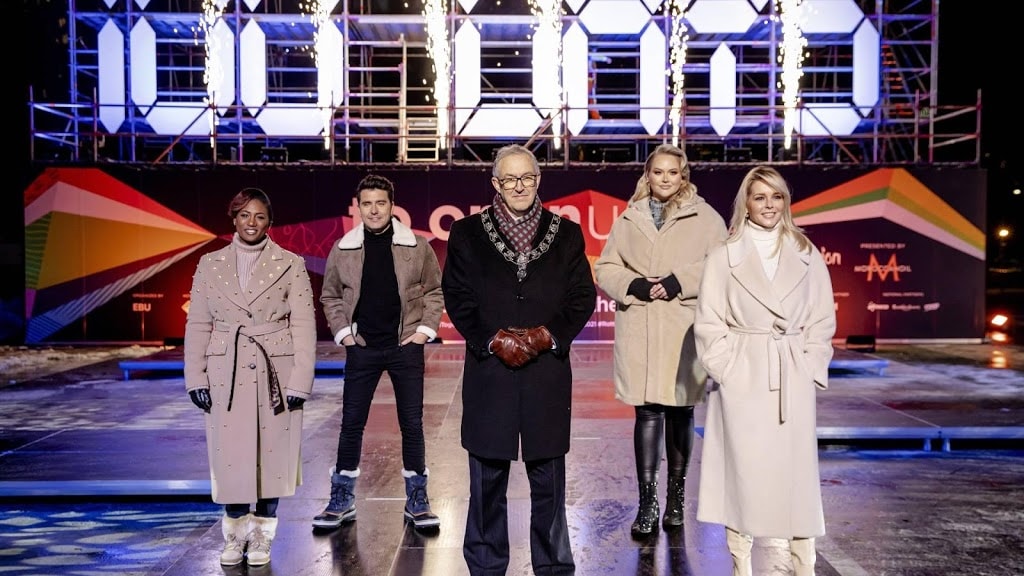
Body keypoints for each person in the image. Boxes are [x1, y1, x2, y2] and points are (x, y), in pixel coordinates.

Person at [442, 144, 596, 576]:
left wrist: (547, 336)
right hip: (491, 371)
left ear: (538, 179)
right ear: (495, 184)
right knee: (487, 481)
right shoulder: (467, 233)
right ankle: (487, 566)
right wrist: (493, 340)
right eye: (509, 179)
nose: (519, 186)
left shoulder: (566, 233)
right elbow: (457, 296)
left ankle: (552, 566)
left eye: (526, 177)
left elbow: (582, 296)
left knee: (548, 481)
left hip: (546, 373)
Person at [694, 166, 837, 576]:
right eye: (760, 197)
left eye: (776, 197)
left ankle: (804, 565)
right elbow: (708, 321)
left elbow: (823, 318)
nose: (769, 205)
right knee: (743, 474)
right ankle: (741, 565)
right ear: (746, 203)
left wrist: (810, 366)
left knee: (797, 478)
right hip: (745, 375)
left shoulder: (806, 252)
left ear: (785, 202)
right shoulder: (725, 254)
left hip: (791, 374)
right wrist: (729, 369)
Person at [593, 143, 728, 537]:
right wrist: (632, 283)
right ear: (647, 175)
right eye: (658, 172)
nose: (665, 178)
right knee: (647, 411)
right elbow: (605, 267)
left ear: (683, 175)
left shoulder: (707, 218)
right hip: (640, 326)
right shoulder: (628, 217)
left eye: (673, 172)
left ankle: (676, 499)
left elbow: (719, 264)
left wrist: (677, 282)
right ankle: (648, 502)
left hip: (681, 328)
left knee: (681, 411)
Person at [183, 187, 316, 567]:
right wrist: (195, 376)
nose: (251, 223)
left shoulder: (290, 263)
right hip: (226, 370)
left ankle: (262, 536)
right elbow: (198, 323)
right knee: (231, 455)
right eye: (244, 215)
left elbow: (305, 325)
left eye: (259, 216)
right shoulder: (210, 264)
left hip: (277, 369)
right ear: (234, 218)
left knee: (273, 455)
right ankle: (234, 534)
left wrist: (300, 381)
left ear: (269, 221)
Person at [314, 174, 444, 532]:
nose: (373, 210)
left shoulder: (417, 246)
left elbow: (435, 291)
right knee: (351, 424)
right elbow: (330, 296)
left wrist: (422, 332)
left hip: (405, 347)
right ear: (358, 207)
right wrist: (345, 335)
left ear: (392, 206)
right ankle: (341, 498)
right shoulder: (343, 249)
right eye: (367, 203)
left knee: (412, 424)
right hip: (363, 349)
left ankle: (417, 499)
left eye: (380, 203)